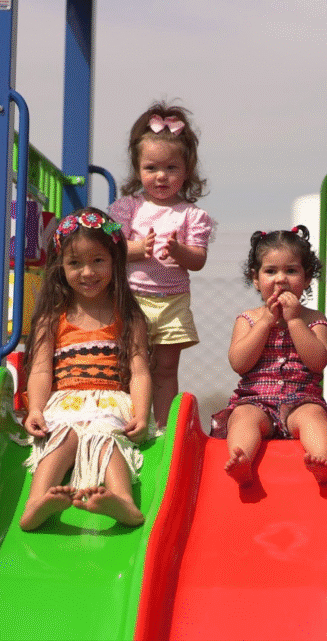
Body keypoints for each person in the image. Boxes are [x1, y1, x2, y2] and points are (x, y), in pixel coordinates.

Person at [18, 206, 152, 531]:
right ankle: (37, 502)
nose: (87, 272)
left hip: (110, 400)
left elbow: (139, 371)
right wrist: (35, 408)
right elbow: (39, 371)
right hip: (65, 400)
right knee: (62, 435)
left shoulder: (127, 317)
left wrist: (142, 414)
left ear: (115, 262)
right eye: (75, 263)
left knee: (106, 435)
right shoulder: (53, 317)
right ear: (60, 267)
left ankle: (122, 500)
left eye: (98, 261)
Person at [210, 226, 327, 486]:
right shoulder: (249, 319)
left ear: (306, 280)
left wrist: (294, 322)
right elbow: (239, 363)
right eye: (271, 271)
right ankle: (242, 461)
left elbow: (318, 361)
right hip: (255, 401)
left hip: (301, 401)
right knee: (243, 418)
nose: (281, 279)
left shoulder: (314, 319)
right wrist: (265, 323)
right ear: (256, 278)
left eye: (291, 271)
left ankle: (321, 461)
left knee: (313, 419)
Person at [109, 102, 213, 429]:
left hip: (173, 302)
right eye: (152, 168)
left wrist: (178, 250)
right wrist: (139, 249)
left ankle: (165, 429)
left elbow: (198, 259)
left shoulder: (192, 215)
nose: (161, 176)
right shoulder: (127, 208)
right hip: (133, 299)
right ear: (138, 169)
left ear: (187, 170)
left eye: (171, 168)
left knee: (166, 368)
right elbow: (110, 249)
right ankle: (131, 420)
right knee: (131, 364)